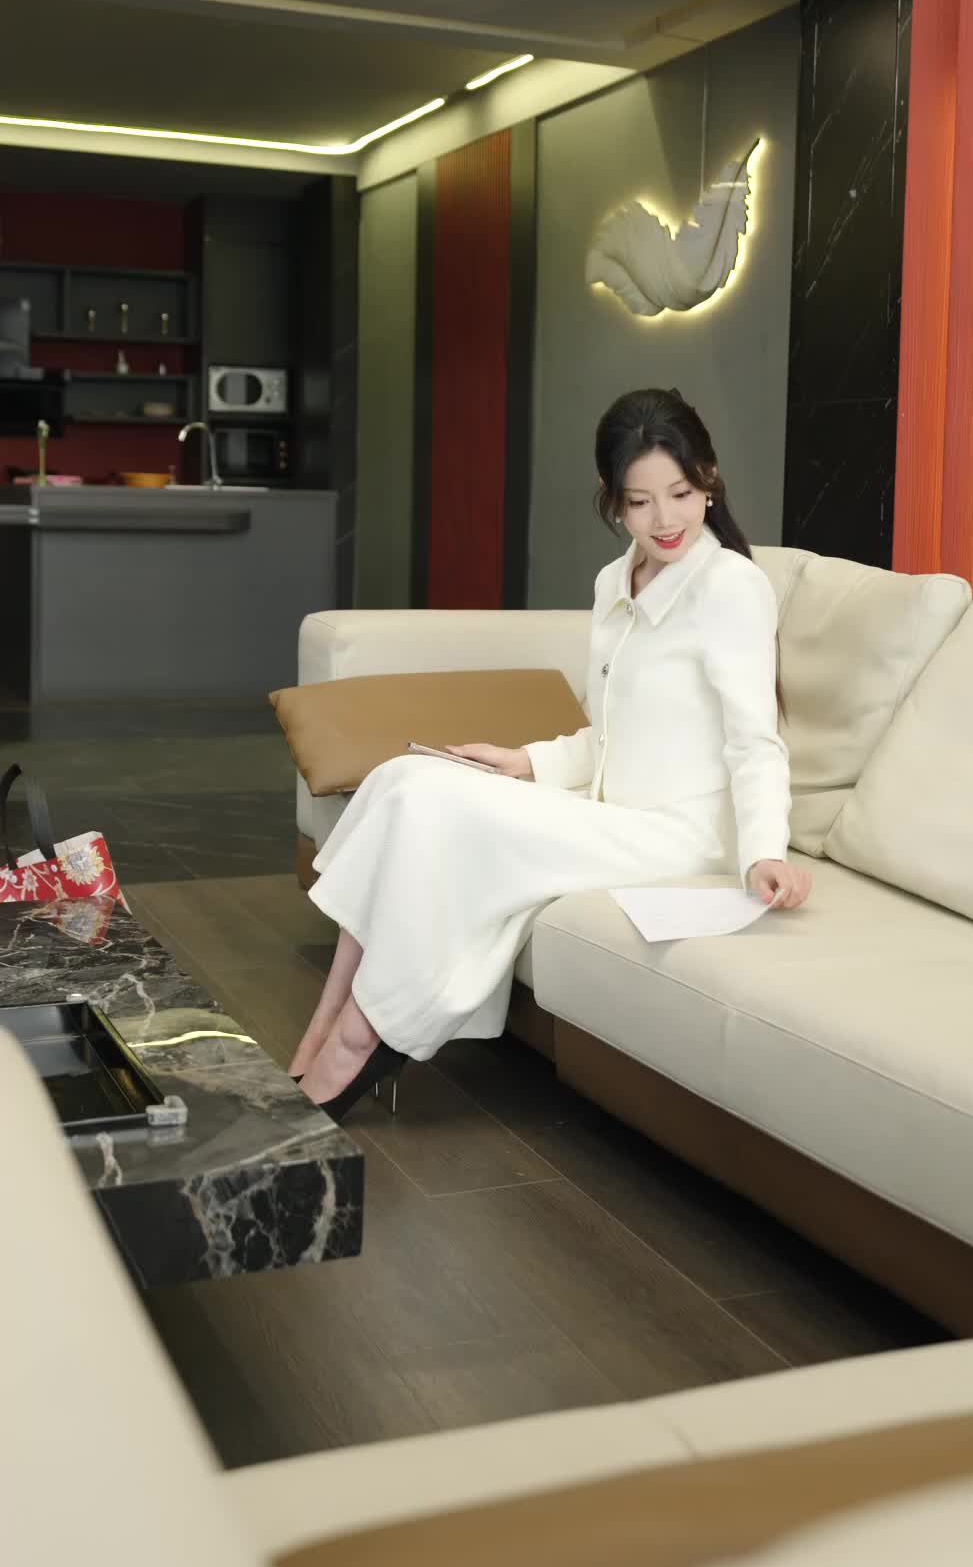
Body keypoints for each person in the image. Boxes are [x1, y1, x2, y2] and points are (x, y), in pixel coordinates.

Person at [290, 387, 811, 1119]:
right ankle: (330, 1022)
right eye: (640, 502)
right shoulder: (615, 581)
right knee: (406, 777)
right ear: (613, 499)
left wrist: (763, 852)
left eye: (682, 493)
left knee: (430, 803)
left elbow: (754, 742)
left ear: (709, 480)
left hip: (681, 837)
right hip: (607, 811)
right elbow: (612, 731)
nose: (665, 520)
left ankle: (359, 1037)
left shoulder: (731, 587)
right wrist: (528, 762)